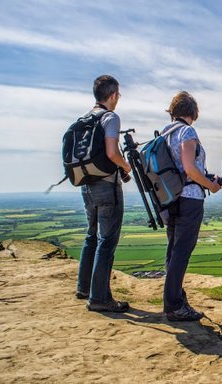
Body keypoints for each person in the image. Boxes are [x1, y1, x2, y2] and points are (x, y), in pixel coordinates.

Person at [161, 91, 222, 322]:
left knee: (173, 251)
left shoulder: (166, 133)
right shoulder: (187, 131)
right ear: (192, 112)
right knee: (182, 252)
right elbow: (189, 168)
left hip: (170, 198)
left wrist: (204, 176)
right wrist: (210, 185)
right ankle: (175, 305)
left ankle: (174, 299)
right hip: (189, 199)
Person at [77, 75, 132, 312]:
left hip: (86, 184)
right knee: (107, 241)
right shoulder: (110, 117)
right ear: (112, 95)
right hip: (107, 185)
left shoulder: (83, 119)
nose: (118, 99)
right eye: (118, 95)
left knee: (92, 236)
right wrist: (125, 166)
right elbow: (111, 152)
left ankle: (84, 288)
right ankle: (100, 298)